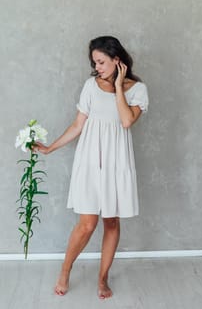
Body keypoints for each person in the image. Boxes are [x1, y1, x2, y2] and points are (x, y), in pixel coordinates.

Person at [35, 36, 149, 299]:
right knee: (87, 223)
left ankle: (102, 277)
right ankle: (65, 270)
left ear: (116, 60)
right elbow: (78, 125)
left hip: (116, 161)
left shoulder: (137, 89)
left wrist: (119, 86)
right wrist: (51, 147)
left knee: (111, 220)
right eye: (94, 62)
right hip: (90, 159)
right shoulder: (90, 85)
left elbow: (126, 121)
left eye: (101, 62)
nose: (97, 67)